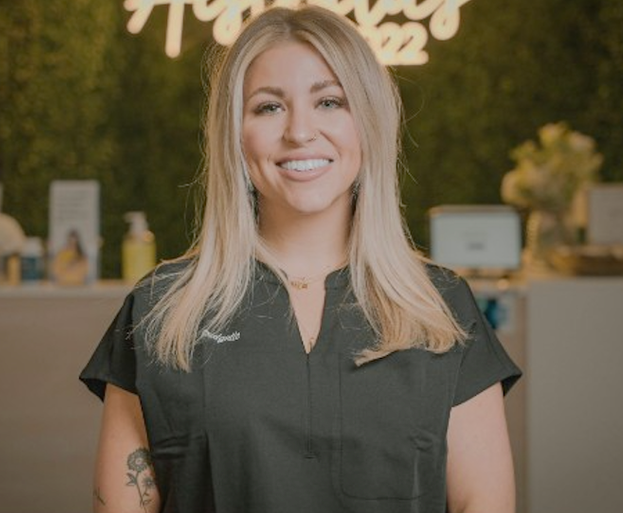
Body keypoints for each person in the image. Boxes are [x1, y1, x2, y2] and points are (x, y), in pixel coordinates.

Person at [80, 5, 522, 513]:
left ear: (368, 123)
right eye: (269, 107)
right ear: (234, 134)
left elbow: (482, 503)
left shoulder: (442, 307)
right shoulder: (162, 309)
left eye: (330, 101)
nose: (300, 132)